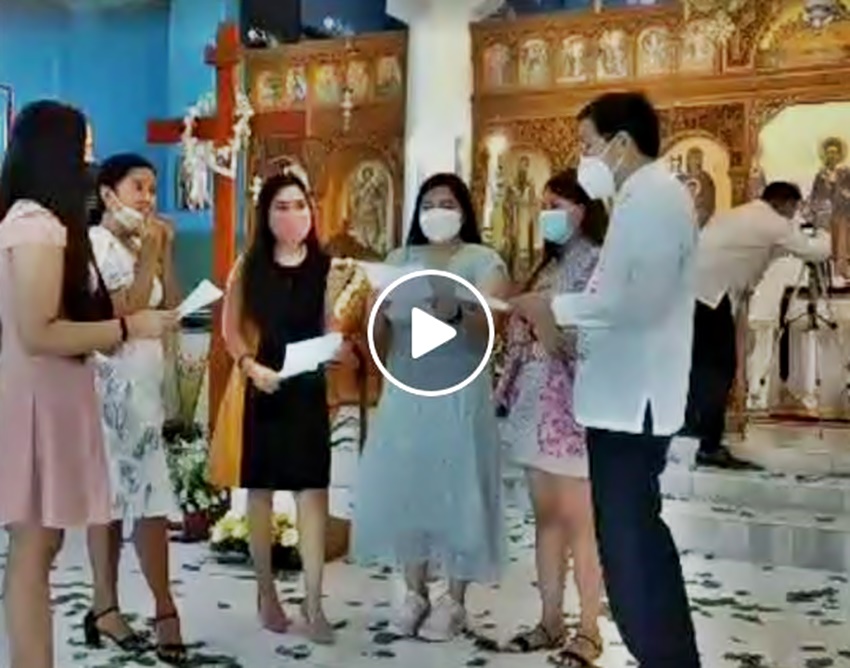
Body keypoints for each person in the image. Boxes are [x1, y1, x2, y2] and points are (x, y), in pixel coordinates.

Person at [512, 91, 701, 667]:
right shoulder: (639, 199)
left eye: (587, 144)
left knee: (632, 548)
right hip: (620, 398)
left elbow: (635, 301)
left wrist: (553, 308)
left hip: (632, 402)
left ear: (621, 142)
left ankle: (668, 659)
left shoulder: (654, 199)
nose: (584, 156)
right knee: (627, 544)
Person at [0, 101, 176, 668]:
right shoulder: (34, 224)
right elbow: (38, 331)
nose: (89, 160)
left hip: (52, 395)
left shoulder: (51, 224)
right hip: (35, 397)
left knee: (43, 542)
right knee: (32, 548)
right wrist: (127, 328)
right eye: (83, 148)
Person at [352, 173, 508, 642]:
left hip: (459, 393)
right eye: (429, 203)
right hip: (407, 391)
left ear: (464, 211)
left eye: (447, 203)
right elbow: (379, 342)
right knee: (408, 484)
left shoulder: (482, 260)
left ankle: (454, 600)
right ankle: (414, 592)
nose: (437, 211)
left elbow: (493, 330)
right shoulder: (398, 261)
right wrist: (376, 313)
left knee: (459, 487)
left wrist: (455, 308)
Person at [219, 170, 338, 643]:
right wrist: (250, 367)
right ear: (265, 215)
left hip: (308, 387)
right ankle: (266, 592)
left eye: (300, 205)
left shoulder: (327, 267)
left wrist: (338, 345)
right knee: (262, 491)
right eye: (281, 207)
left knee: (313, 491)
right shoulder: (249, 266)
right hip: (264, 385)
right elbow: (231, 330)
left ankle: (314, 600)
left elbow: (333, 324)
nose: (293, 215)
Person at [496, 169, 607, 665]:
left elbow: (590, 344)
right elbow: (522, 340)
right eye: (542, 205)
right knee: (545, 519)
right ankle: (549, 619)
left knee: (581, 522)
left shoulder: (599, 265)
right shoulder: (547, 267)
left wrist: (541, 318)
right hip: (533, 403)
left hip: (573, 409)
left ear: (583, 209)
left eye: (556, 205)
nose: (547, 214)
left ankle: (589, 629)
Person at [83, 153, 186, 664]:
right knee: (121, 500)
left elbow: (172, 305)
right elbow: (126, 308)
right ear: (108, 194)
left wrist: (166, 252)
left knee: (144, 497)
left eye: (152, 188)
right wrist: (150, 252)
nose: (148, 197)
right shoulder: (96, 244)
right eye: (137, 187)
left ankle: (134, 605)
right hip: (109, 387)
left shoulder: (146, 242)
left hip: (145, 386)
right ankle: (130, 607)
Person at [685, 181, 830, 469]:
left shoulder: (741, 215)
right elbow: (816, 252)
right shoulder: (773, 222)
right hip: (710, 298)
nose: (794, 216)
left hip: (695, 293)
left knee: (703, 368)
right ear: (785, 204)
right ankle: (708, 445)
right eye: (794, 209)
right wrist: (824, 232)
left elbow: (764, 255)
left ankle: (696, 435)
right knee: (719, 370)